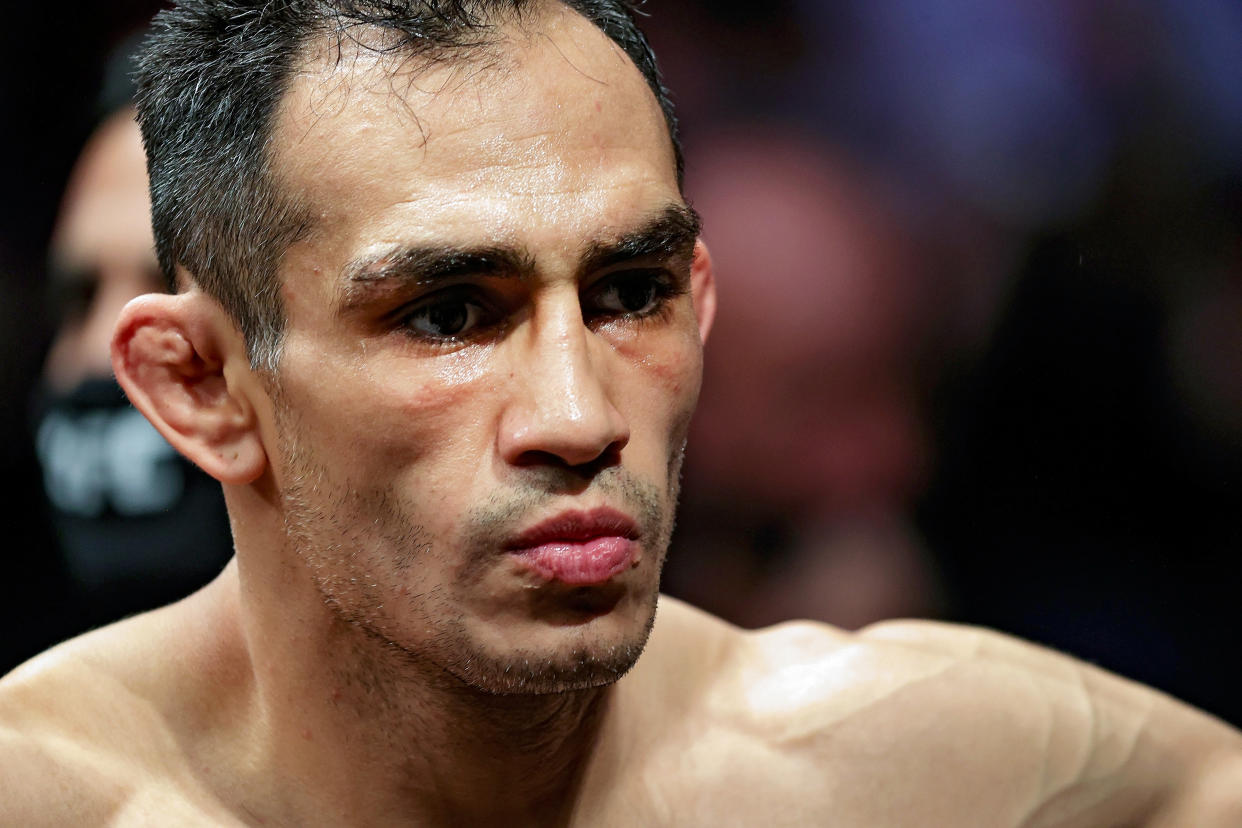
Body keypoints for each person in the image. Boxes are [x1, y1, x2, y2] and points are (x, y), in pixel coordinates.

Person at [1, 1, 1239, 824]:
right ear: (198, 386)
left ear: (700, 300)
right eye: (447, 313)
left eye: (630, 292)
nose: (578, 414)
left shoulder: (894, 763)